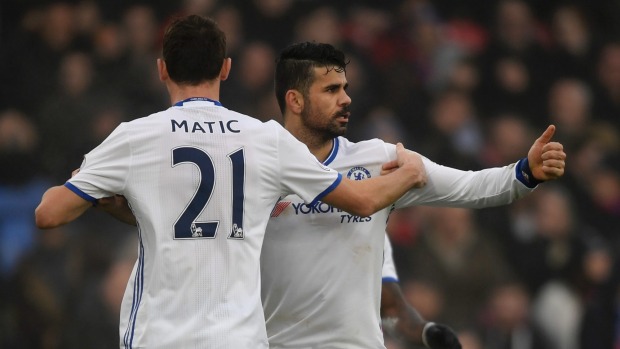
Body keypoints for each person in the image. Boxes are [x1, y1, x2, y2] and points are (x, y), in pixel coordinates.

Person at [34, 16, 428, 349]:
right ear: (225, 68)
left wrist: (84, 192)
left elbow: (49, 215)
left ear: (162, 69)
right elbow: (361, 201)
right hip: (238, 338)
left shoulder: (135, 138)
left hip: (160, 335)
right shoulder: (266, 139)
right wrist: (410, 173)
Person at [259, 42, 566, 349]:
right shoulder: (253, 168)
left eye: (345, 88)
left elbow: (470, 187)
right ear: (295, 100)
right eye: (331, 90)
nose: (346, 99)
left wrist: (526, 171)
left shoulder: (380, 160)